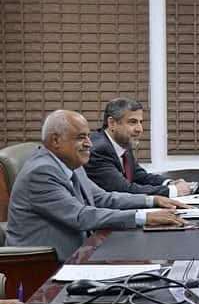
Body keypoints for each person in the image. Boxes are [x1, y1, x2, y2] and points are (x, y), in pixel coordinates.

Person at [6, 110, 188, 261]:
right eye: (81, 137)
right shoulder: (41, 172)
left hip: (81, 252)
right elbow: (80, 216)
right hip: (42, 266)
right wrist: (143, 217)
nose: (89, 144)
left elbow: (102, 198)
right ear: (55, 141)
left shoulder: (71, 163)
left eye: (88, 136)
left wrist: (152, 200)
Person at [85, 98, 191, 197]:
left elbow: (138, 175)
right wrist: (172, 191)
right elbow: (123, 190)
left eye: (141, 122)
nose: (140, 129)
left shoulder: (122, 142)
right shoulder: (98, 150)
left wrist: (169, 183)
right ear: (112, 123)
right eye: (133, 122)